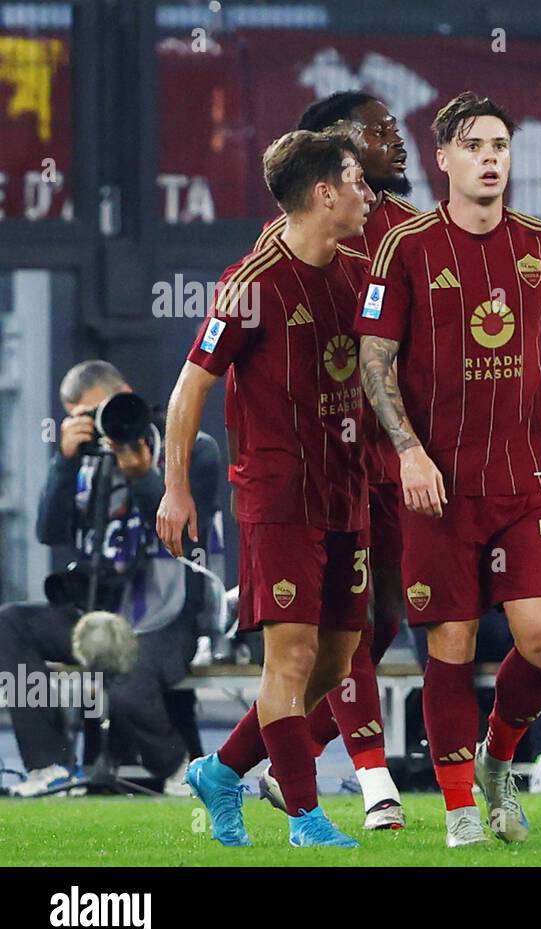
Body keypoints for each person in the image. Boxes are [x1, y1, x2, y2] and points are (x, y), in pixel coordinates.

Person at [357, 92, 541, 847]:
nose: (491, 157)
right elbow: (376, 364)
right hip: (438, 489)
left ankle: (501, 764)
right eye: (473, 145)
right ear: (443, 159)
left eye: (501, 144)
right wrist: (407, 449)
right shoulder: (405, 249)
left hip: (526, 481)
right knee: (452, 644)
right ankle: (461, 809)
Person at [157, 129, 375, 848]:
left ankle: (222, 770)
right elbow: (191, 387)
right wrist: (176, 489)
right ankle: (307, 818)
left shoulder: (356, 268)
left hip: (346, 492)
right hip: (278, 498)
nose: (366, 194)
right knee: (291, 660)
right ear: (323, 194)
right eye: (355, 181)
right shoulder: (251, 284)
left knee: (337, 661)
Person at [253, 90, 417, 831]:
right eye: (381, 132)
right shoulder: (288, 243)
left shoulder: (413, 231)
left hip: (400, 455)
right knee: (325, 630)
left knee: (379, 621)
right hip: (320, 470)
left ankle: (244, 765)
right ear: (336, 152)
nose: (399, 141)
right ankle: (372, 778)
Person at [0, 360, 219, 797]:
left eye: (107, 412)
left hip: (167, 614)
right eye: (87, 418)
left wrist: (143, 479)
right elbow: (50, 531)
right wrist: (63, 465)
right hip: (95, 608)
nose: (104, 427)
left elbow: (185, 536)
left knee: (122, 683)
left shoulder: (192, 448)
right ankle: (49, 767)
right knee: (11, 622)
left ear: (127, 397)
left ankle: (182, 769)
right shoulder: (81, 461)